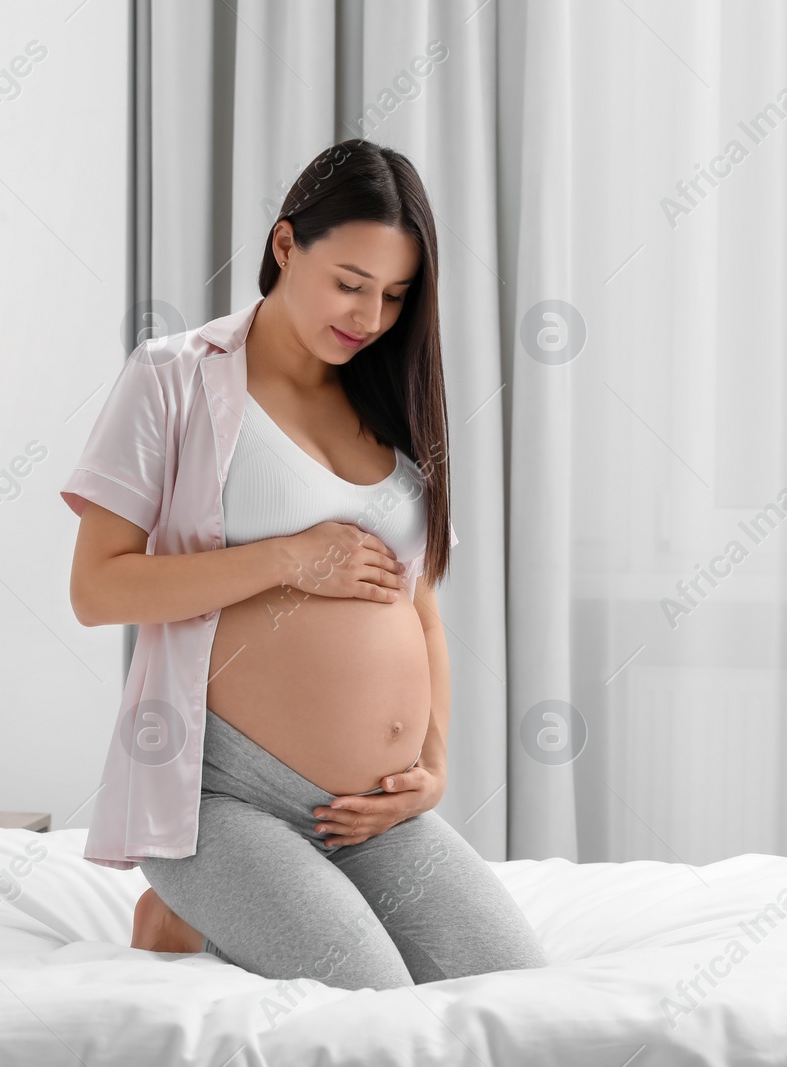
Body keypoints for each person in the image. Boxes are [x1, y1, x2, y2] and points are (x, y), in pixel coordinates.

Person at [63, 138, 547, 991]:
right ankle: (190, 901)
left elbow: (419, 609)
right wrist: (289, 559)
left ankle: (194, 923)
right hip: (221, 795)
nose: (368, 317)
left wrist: (432, 767)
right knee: (377, 1008)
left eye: (394, 296)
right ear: (286, 246)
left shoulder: (389, 397)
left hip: (371, 812)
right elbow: (98, 587)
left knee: (520, 995)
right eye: (350, 284)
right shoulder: (174, 377)